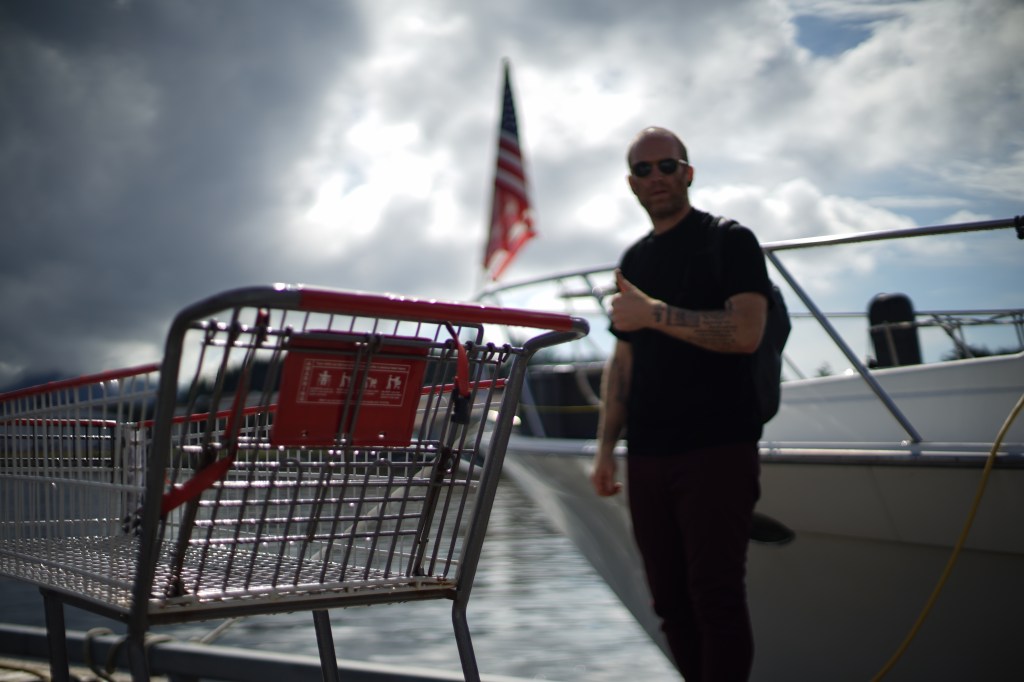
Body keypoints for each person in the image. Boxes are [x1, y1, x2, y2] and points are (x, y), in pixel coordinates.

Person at [590, 126, 772, 681]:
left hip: (717, 448)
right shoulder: (634, 259)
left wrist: (654, 314)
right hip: (647, 455)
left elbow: (745, 332)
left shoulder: (729, 240)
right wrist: (603, 451)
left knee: (715, 599)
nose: (657, 178)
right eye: (644, 171)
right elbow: (623, 364)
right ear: (631, 184)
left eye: (667, 166)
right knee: (670, 605)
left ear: (688, 172)